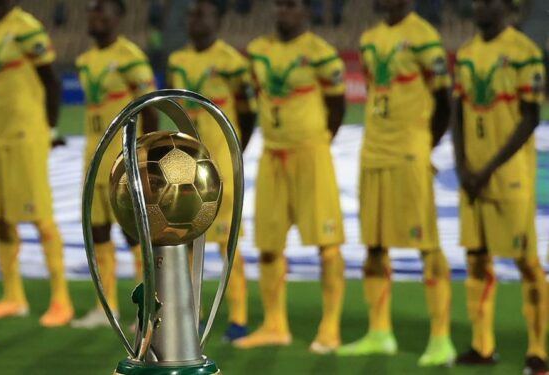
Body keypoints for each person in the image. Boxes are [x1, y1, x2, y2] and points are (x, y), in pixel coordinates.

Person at [336, 0, 454, 366]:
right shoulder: (370, 38)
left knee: (427, 244)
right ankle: (379, 331)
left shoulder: (424, 37)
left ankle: (441, 338)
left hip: (408, 154)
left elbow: (444, 100)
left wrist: (423, 145)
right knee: (374, 244)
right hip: (373, 151)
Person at [233, 0, 347, 354]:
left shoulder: (321, 53)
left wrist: (320, 138)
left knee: (328, 248)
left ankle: (330, 327)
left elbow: (337, 105)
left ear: (306, 12)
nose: (284, 11)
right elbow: (247, 101)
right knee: (268, 246)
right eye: (280, 5)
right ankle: (274, 325)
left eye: (292, 6)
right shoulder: (258, 51)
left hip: (311, 155)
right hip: (272, 156)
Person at [451, 0, 547, 373]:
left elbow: (531, 118)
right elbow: (458, 111)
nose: (478, 6)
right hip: (472, 176)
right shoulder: (468, 53)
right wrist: (462, 165)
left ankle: (537, 353)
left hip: (509, 177)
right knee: (476, 258)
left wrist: (487, 167)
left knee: (526, 262)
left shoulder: (525, 52)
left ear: (505, 6)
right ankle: (481, 345)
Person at [0, 0, 73, 327]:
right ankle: (13, 297)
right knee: (1, 216)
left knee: (40, 215)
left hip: (25, 133)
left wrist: (51, 128)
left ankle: (61, 299)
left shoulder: (27, 27)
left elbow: (51, 81)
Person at [167, 0, 257, 342]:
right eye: (190, 14)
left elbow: (248, 115)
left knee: (225, 244)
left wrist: (231, 154)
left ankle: (238, 319)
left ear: (217, 19)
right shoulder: (177, 61)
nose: (194, 19)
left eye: (202, 13)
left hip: (219, 172)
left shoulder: (233, 63)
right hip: (184, 170)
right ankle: (191, 315)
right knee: (186, 244)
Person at [71, 0, 159, 329]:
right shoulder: (85, 60)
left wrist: (148, 159)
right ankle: (104, 308)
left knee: (135, 236)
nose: (94, 17)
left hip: (126, 161)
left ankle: (150, 308)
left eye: (102, 12)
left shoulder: (131, 58)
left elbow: (150, 111)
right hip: (93, 159)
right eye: (91, 11)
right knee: (97, 232)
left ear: (118, 17)